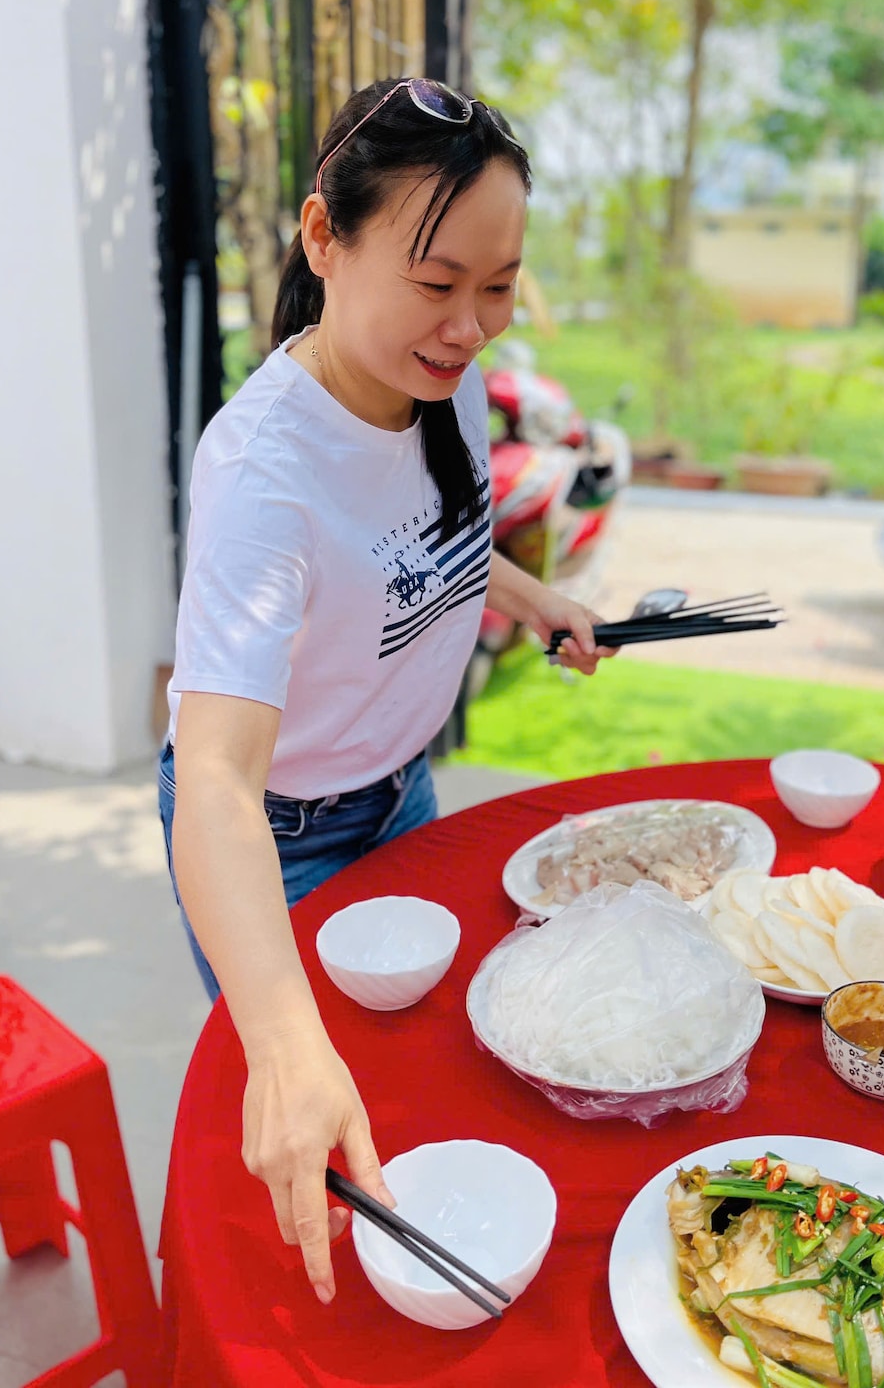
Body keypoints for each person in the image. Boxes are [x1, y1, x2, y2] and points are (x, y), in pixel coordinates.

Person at [157, 76, 612, 1309]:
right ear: (323, 238)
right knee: (324, 1113)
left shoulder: (437, 377)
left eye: (498, 284)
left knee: (423, 1091)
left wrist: (530, 597)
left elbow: (427, 532)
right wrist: (284, 1038)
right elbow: (213, 776)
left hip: (401, 796)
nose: (470, 325)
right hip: (285, 835)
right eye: (435, 281)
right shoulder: (264, 473)